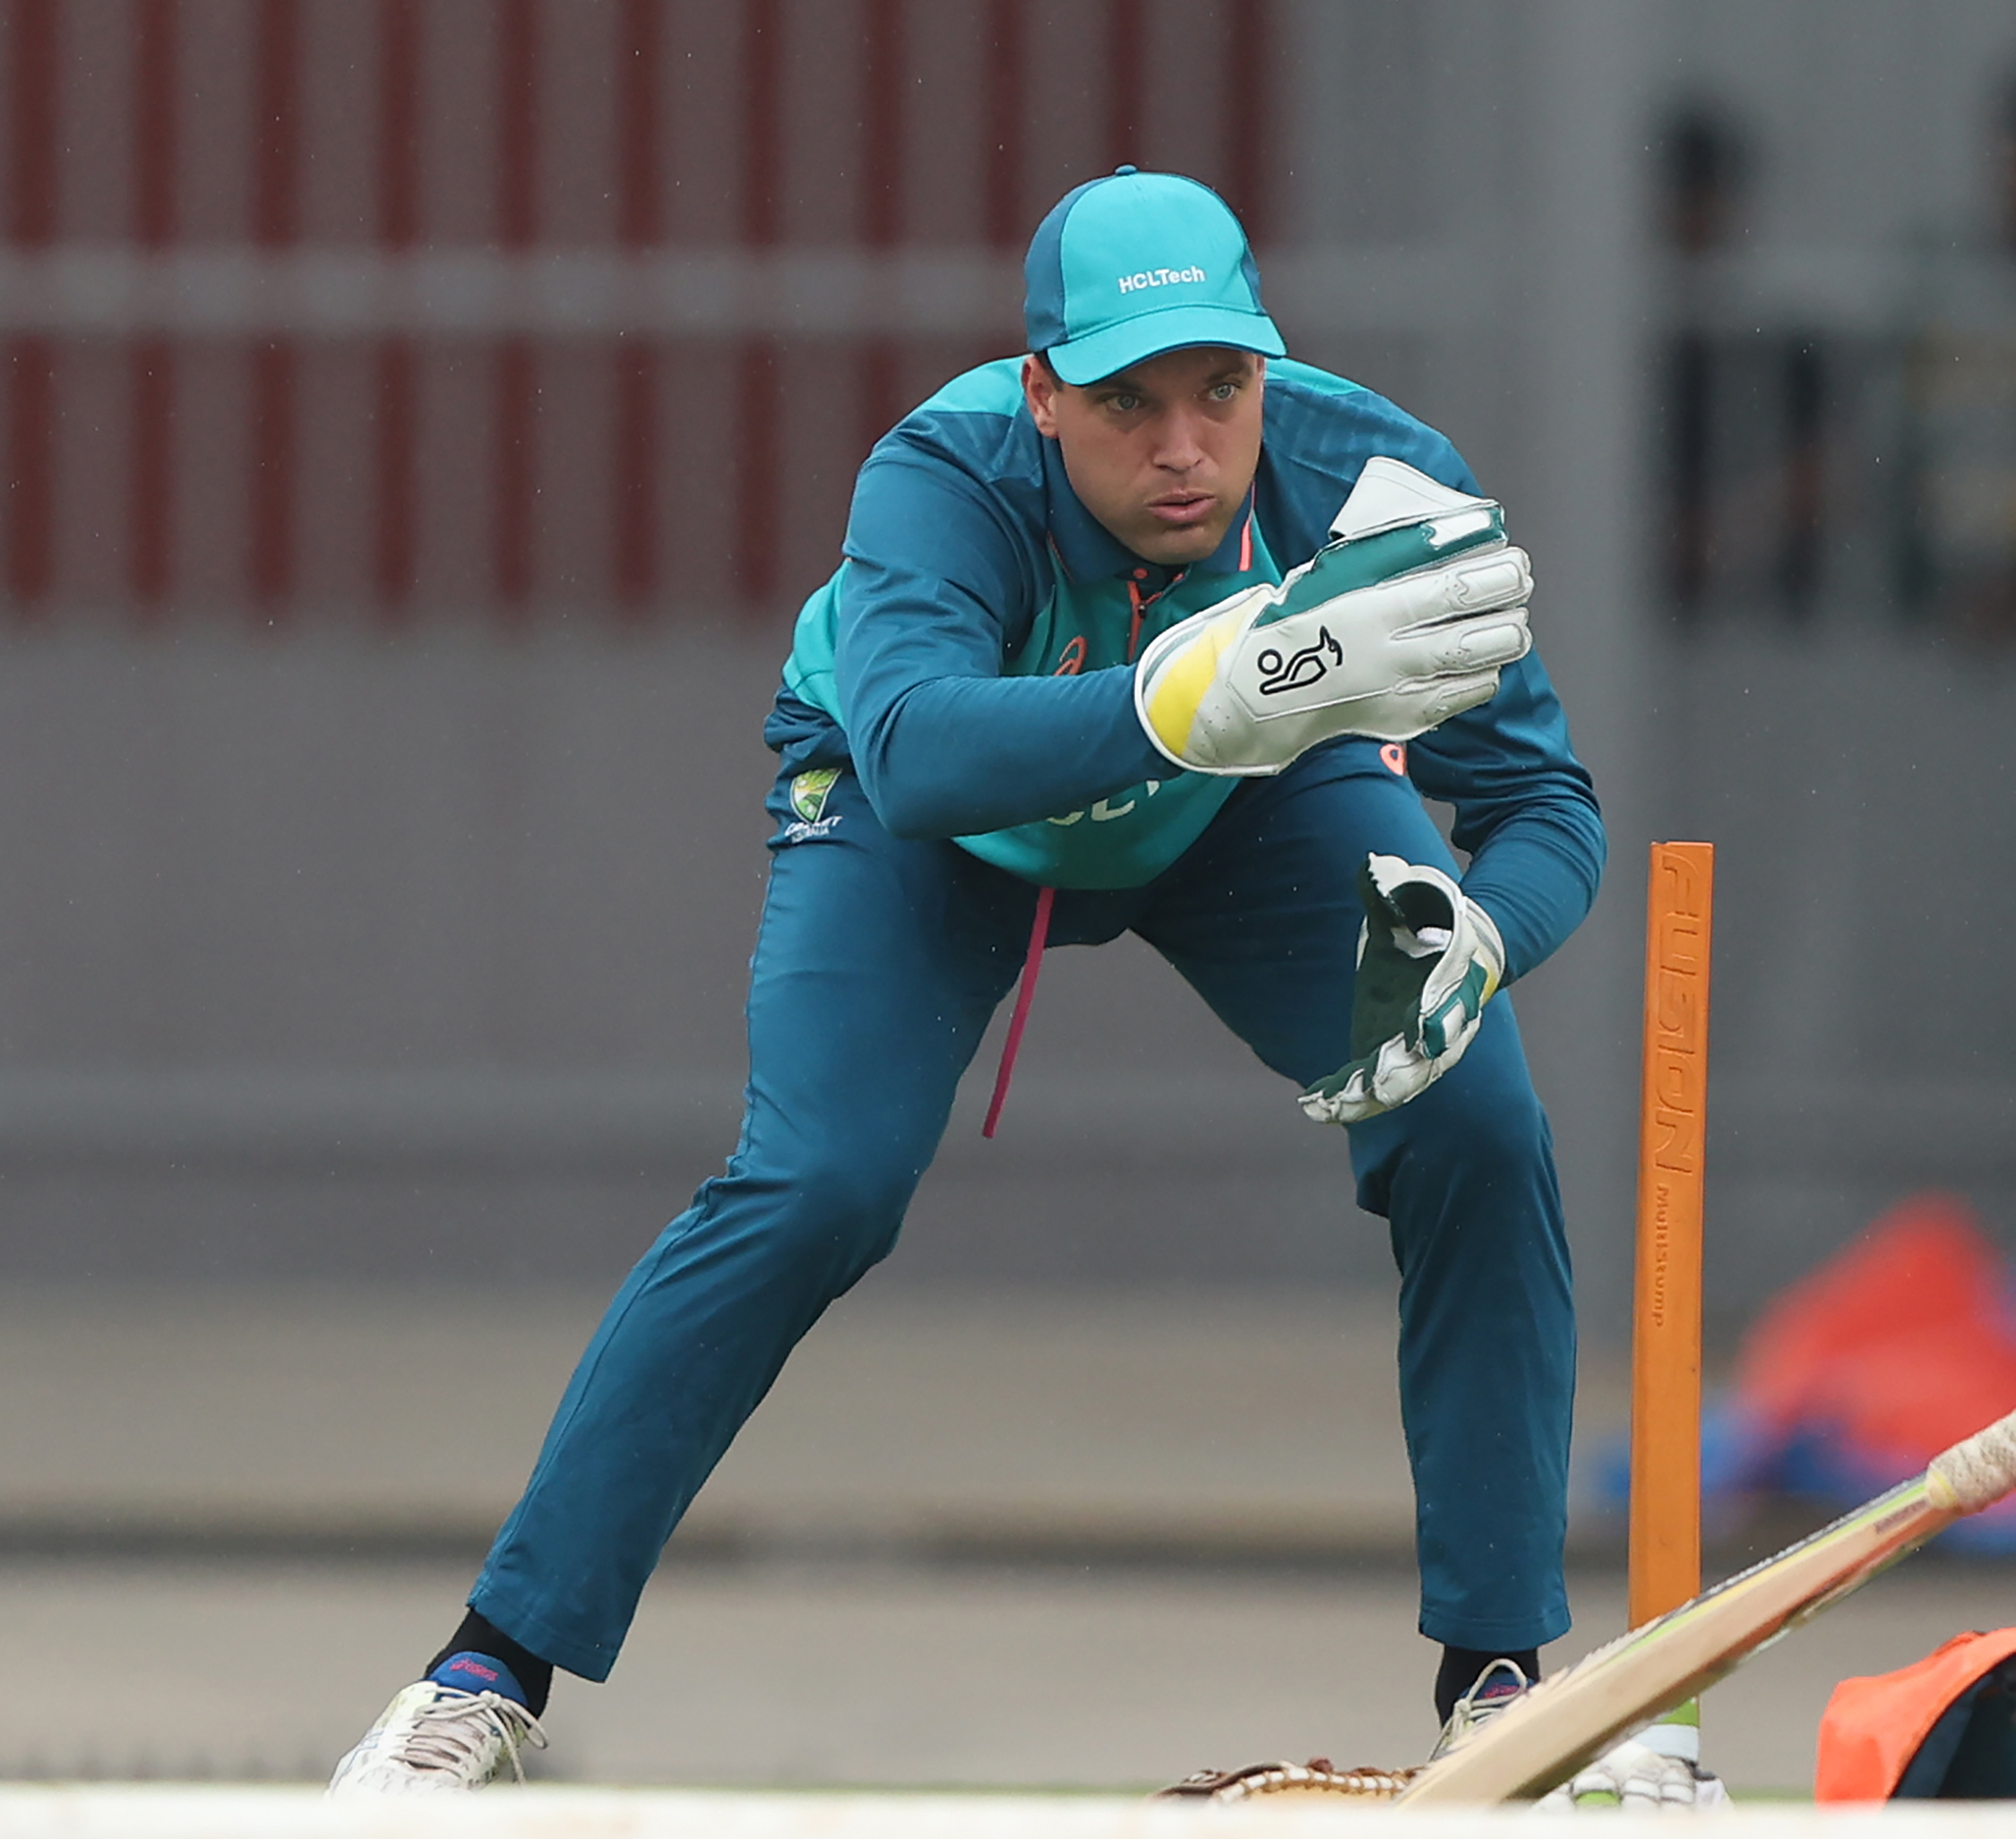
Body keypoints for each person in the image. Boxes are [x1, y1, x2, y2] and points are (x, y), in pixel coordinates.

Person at [328, 168, 1672, 1800]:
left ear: (1270, 369)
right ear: (1041, 398)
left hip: (1247, 808)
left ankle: (1504, 1684)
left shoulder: (1378, 486)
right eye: (1124, 402)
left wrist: (1478, 945)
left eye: (1221, 390)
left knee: (1476, 1109)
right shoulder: (942, 471)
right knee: (818, 1178)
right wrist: (1200, 693)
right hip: (934, 825)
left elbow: (1546, 805)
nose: (1183, 446)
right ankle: (485, 1670)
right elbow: (909, 748)